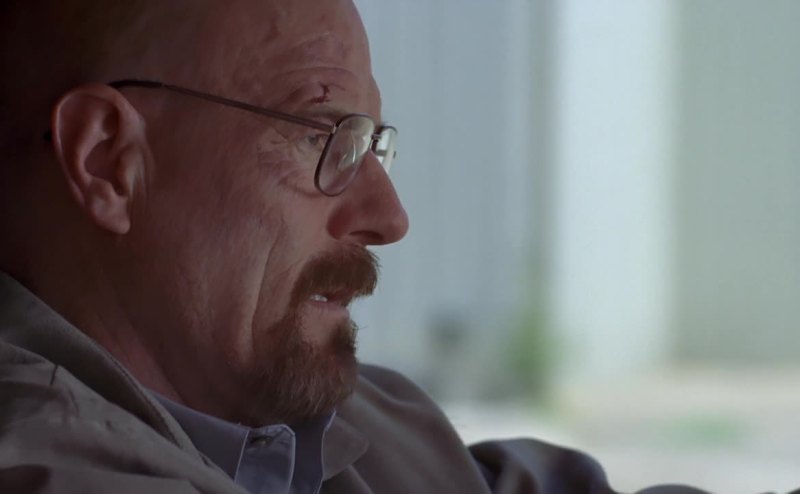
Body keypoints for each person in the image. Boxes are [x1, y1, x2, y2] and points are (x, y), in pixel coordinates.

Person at [0, 1, 711, 493]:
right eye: (322, 137)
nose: (388, 217)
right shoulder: (46, 463)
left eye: (369, 143)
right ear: (107, 161)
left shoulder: (333, 416)